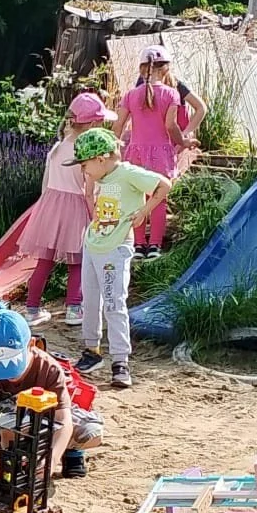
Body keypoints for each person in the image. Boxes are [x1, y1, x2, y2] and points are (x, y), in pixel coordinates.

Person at [68, 128, 171, 388]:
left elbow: (164, 184)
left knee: (114, 303)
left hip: (115, 249)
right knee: (90, 301)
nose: (83, 170)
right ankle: (92, 351)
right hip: (93, 244)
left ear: (101, 159)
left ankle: (120, 361)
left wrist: (144, 211)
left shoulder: (128, 173)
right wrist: (90, 187)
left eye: (84, 165)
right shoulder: (102, 177)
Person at [0, 309, 104, 480]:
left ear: (31, 344)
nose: (8, 375)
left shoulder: (49, 369)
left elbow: (64, 419)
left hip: (45, 421)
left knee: (91, 432)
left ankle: (70, 452)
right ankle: (14, 457)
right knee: (14, 421)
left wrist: (53, 459)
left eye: (13, 366)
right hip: (5, 430)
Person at [18, 92, 113, 327]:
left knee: (44, 261)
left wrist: (45, 206)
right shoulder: (86, 151)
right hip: (75, 207)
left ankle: (31, 309)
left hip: (50, 206)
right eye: (100, 122)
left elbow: (46, 182)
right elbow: (89, 189)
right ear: (91, 124)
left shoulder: (58, 147)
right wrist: (95, 214)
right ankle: (73, 308)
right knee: (77, 261)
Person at [114, 48, 186, 259]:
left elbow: (118, 125)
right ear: (165, 69)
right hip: (160, 155)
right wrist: (183, 142)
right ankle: (154, 246)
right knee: (158, 199)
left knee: (137, 198)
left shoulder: (130, 95)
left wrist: (114, 149)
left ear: (141, 69)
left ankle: (137, 246)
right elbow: (171, 126)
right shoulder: (171, 94)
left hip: (135, 154)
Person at [134, 44, 208, 137]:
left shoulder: (176, 85)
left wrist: (186, 132)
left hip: (173, 139)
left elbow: (201, 108)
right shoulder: (142, 83)